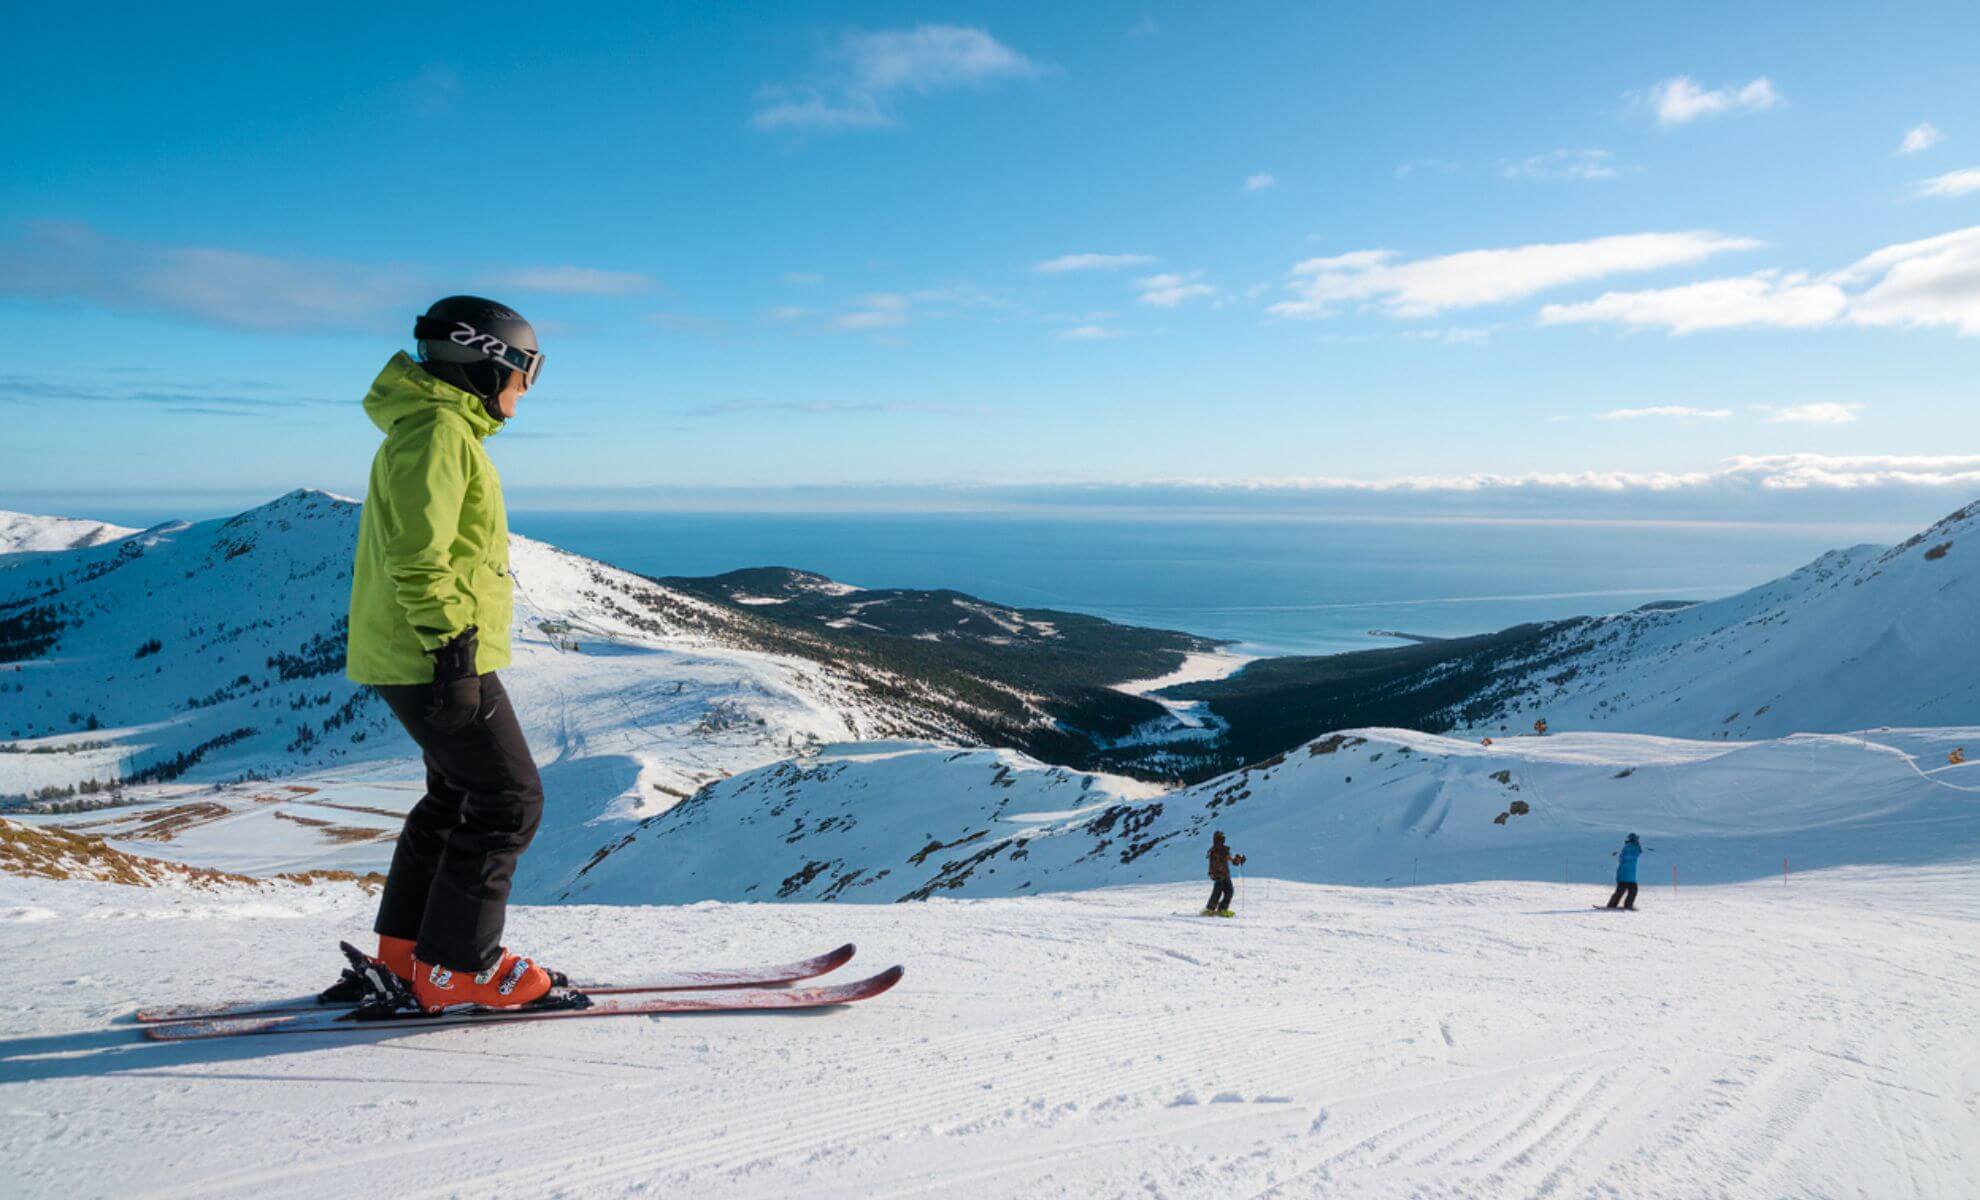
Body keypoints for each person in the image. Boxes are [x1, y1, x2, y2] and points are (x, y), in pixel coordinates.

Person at [342, 295, 555, 1012]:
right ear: (486, 361)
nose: (525, 391)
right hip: (432, 653)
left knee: (455, 797)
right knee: (508, 802)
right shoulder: (437, 432)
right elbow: (418, 558)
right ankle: (457, 966)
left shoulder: (442, 429)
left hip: (427, 650)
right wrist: (452, 653)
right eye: (525, 373)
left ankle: (407, 956)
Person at [1203, 831, 1245, 916]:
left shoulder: (1223, 850)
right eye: (1220, 838)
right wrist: (1214, 873)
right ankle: (1210, 909)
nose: (1221, 840)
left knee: (1229, 891)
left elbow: (1232, 861)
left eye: (1222, 839)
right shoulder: (1215, 851)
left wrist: (1239, 860)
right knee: (1218, 892)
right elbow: (1214, 864)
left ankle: (1221, 909)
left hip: (1224, 874)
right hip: (1219, 875)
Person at [1605, 833, 1648, 910]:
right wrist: (1637, 845)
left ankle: (1620, 905)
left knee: (1628, 891)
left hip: (1629, 876)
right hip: (1624, 875)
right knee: (1626, 891)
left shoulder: (1632, 847)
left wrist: (1638, 845)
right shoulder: (1629, 847)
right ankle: (1618, 905)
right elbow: (1628, 856)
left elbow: (1638, 852)